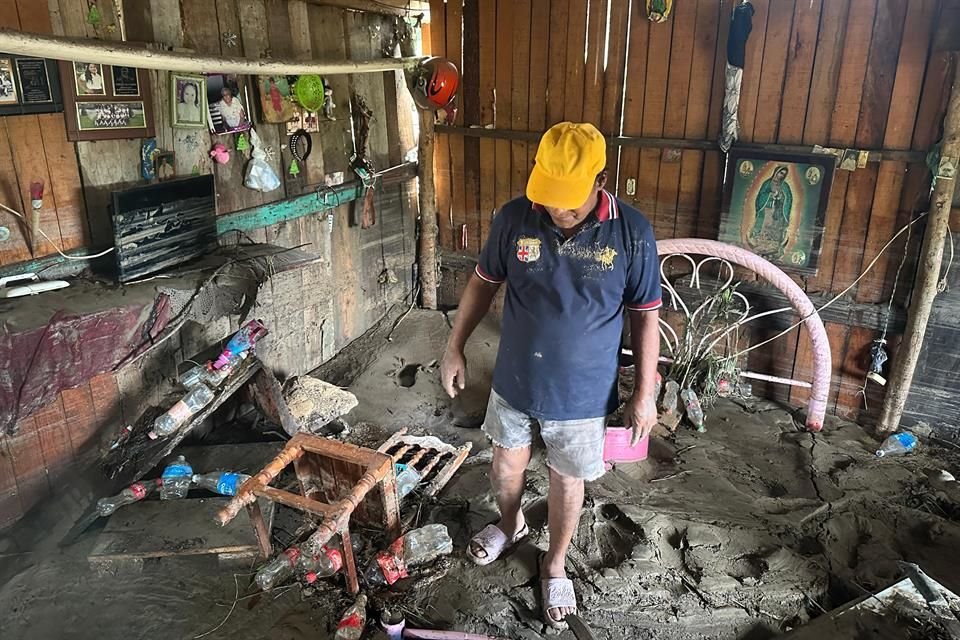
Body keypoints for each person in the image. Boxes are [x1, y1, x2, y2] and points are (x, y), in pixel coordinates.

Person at [440, 122, 662, 630]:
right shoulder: (515, 217)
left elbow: (646, 315)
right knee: (505, 468)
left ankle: (554, 564)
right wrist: (453, 346)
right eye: (550, 198)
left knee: (567, 481)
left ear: (600, 181)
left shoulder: (632, 233)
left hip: (583, 393)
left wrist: (644, 393)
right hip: (515, 380)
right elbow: (482, 284)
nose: (558, 211)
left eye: (570, 203)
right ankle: (510, 523)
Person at [747, 164, 794, 260]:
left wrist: (781, 197)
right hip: (767, 210)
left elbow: (789, 199)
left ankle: (773, 247)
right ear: (776, 172)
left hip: (778, 212)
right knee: (765, 226)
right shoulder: (767, 183)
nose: (781, 175)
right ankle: (761, 245)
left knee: (775, 229)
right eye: (781, 173)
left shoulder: (785, 186)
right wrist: (770, 195)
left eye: (784, 174)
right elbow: (761, 195)